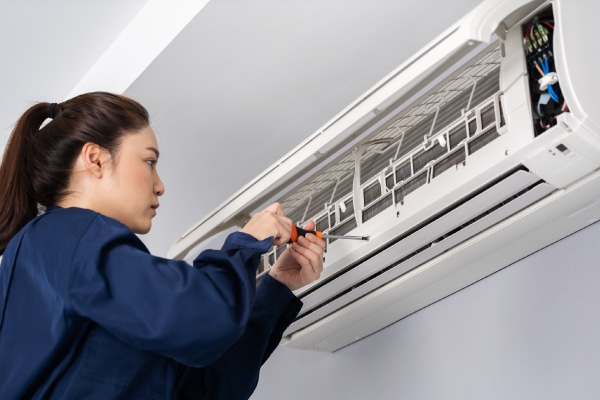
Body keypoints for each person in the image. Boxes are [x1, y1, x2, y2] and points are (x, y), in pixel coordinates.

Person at [0, 92, 325, 399]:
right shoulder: (68, 236)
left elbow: (202, 388)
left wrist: (275, 288)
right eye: (149, 161)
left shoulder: (61, 253)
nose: (160, 186)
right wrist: (247, 243)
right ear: (95, 159)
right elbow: (205, 320)